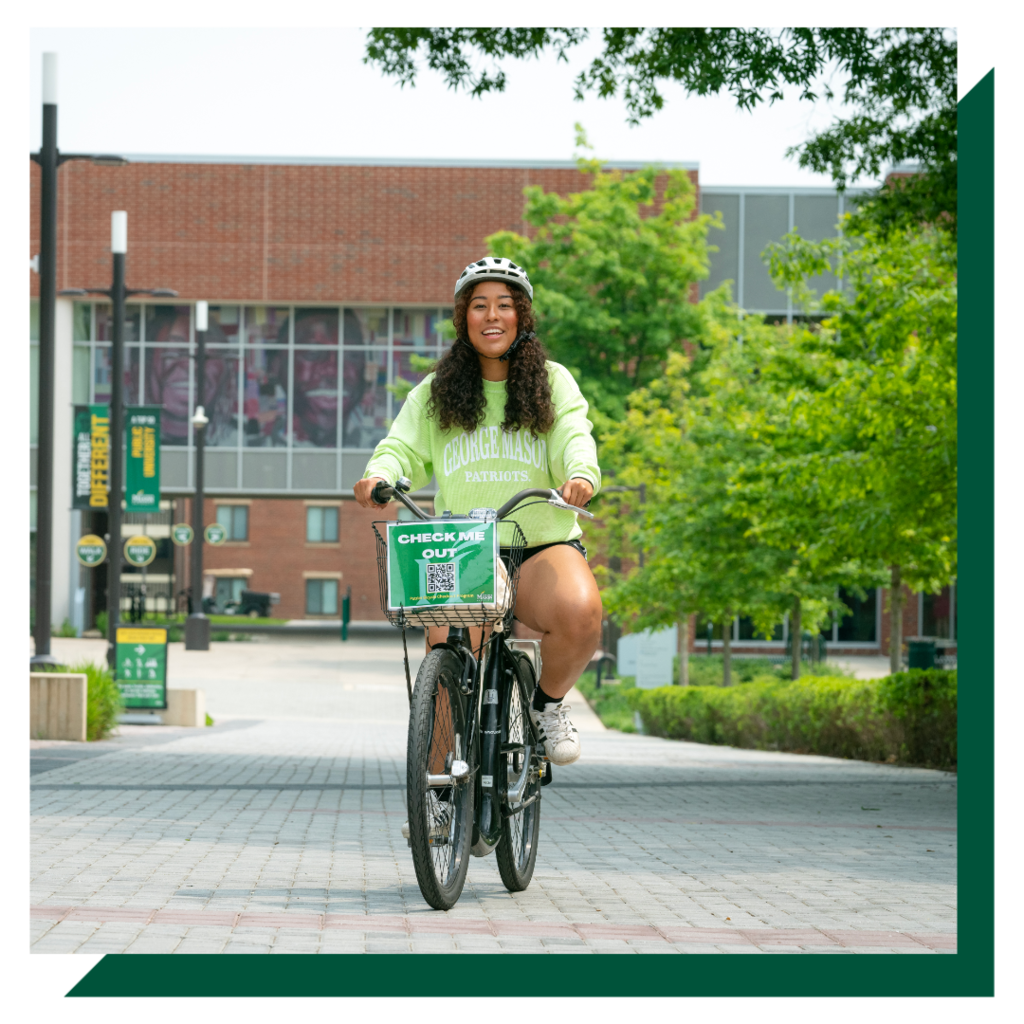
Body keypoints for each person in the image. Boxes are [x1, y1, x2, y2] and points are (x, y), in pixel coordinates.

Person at [355, 257, 602, 766]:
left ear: (522, 316)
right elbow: (400, 448)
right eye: (479, 305)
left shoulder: (552, 383)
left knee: (582, 613)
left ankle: (546, 707)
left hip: (541, 543)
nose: (492, 315)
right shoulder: (436, 390)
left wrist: (581, 476)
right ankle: (440, 798)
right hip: (467, 545)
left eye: (505, 305)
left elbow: (574, 435)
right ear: (464, 317)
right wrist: (379, 475)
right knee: (446, 658)